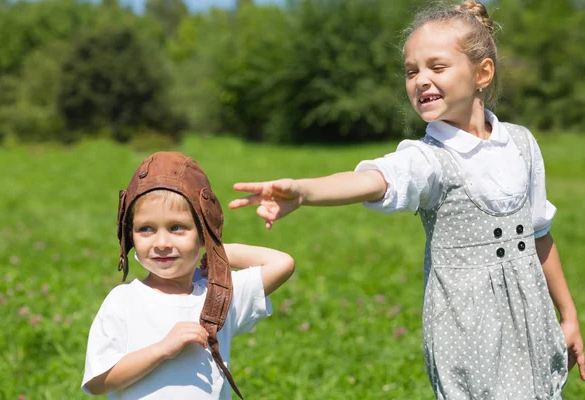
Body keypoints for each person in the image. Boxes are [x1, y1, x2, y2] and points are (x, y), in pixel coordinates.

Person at [228, 1, 585, 398]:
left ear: (482, 73)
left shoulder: (521, 143)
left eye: (437, 67)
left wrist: (568, 316)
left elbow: (539, 235)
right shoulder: (426, 158)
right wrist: (306, 190)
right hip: (468, 332)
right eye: (412, 71)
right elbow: (374, 180)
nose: (421, 80)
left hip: (532, 321)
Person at [81, 152, 295, 399]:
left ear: (203, 232)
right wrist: (161, 350)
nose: (161, 242)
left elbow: (282, 264)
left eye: (177, 227)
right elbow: (98, 382)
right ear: (130, 235)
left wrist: (220, 251)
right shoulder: (123, 301)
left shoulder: (219, 294)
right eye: (146, 229)